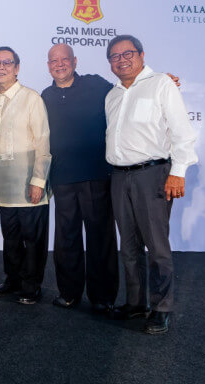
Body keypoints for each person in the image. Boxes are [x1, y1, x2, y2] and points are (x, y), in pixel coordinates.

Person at [104, 35, 197, 334]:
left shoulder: (162, 84)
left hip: (153, 175)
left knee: (157, 247)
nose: (121, 60)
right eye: (115, 56)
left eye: (127, 53)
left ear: (142, 55)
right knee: (128, 246)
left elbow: (182, 132)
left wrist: (178, 171)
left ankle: (161, 308)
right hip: (119, 177)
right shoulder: (112, 95)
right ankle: (135, 303)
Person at [41, 44, 118, 312]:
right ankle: (69, 293)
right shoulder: (45, 95)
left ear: (75, 61)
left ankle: (103, 297)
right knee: (66, 238)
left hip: (96, 174)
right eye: (53, 60)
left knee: (100, 236)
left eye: (64, 59)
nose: (59, 64)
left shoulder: (96, 85)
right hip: (62, 177)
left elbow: (125, 94)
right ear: (48, 65)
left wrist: (159, 81)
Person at [0, 46, 51, 305]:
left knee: (33, 239)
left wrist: (38, 181)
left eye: (7, 63)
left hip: (27, 182)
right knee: (10, 237)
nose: (1, 67)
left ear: (17, 68)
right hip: (2, 185)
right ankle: (12, 279)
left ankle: (32, 286)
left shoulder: (31, 98)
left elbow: (43, 141)